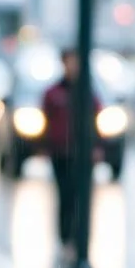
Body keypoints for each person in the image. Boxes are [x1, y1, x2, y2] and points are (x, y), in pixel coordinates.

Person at [41, 47, 101, 254]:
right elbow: (45, 122)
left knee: (81, 197)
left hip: (82, 154)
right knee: (64, 195)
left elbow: (97, 120)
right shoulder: (53, 93)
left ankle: (79, 237)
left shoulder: (87, 92)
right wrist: (44, 146)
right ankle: (65, 237)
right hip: (60, 152)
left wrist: (97, 147)